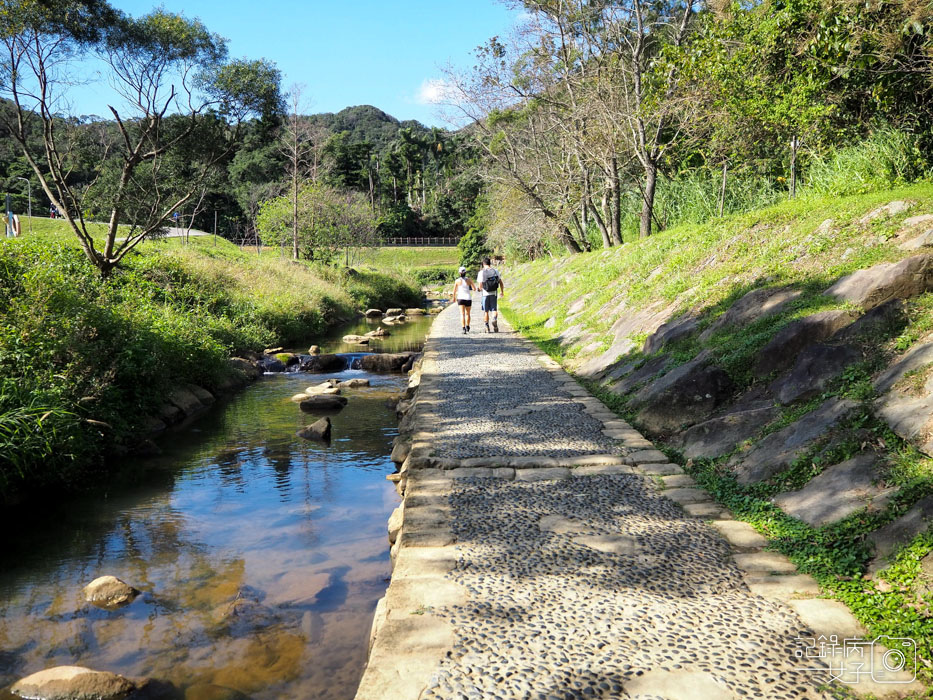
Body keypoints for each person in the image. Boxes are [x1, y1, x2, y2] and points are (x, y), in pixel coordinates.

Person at [476, 257, 504, 332]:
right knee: (494, 309)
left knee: (486, 311)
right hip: (494, 293)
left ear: (483, 264)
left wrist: (478, 289)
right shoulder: (495, 271)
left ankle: (487, 327)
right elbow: (501, 282)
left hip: (485, 294)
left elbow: (480, 286)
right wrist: (502, 291)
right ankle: (494, 319)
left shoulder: (481, 272)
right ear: (490, 263)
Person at [451, 265, 476, 334]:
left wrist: (453, 297)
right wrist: (470, 287)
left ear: (459, 273)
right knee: (468, 314)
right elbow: (474, 289)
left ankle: (463, 328)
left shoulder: (457, 281)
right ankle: (468, 326)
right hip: (468, 298)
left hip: (460, 298)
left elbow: (454, 291)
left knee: (462, 314)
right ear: (465, 272)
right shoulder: (469, 280)